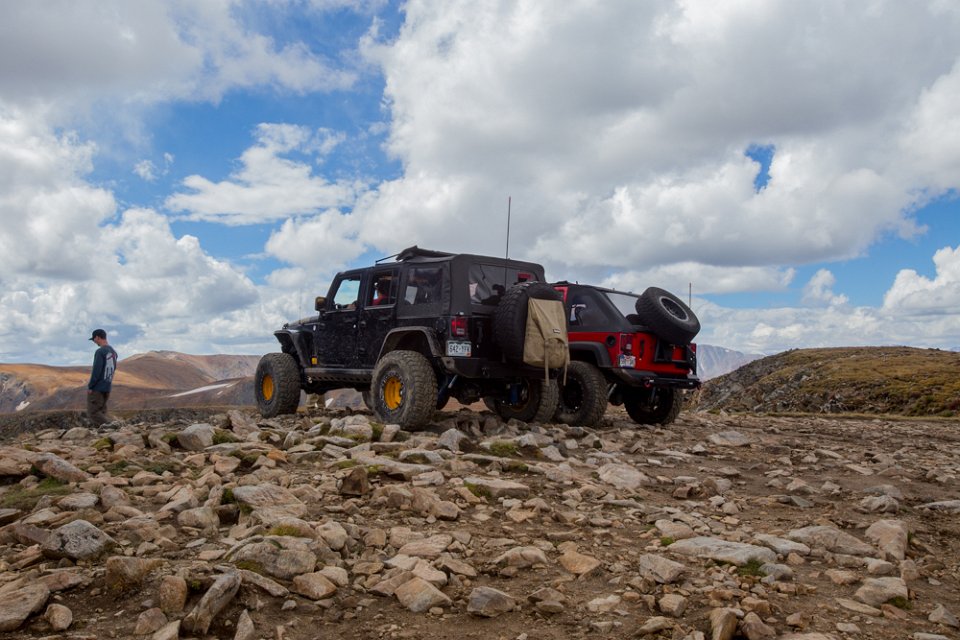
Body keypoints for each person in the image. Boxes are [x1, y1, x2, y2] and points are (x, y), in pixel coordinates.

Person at [87, 329, 118, 427]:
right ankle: (106, 431)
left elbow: (97, 370)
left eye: (94, 339)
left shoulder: (100, 352)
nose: (94, 341)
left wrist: (91, 386)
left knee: (93, 412)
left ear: (97, 337)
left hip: (97, 388)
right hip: (107, 387)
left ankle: (112, 427)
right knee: (102, 412)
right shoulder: (113, 352)